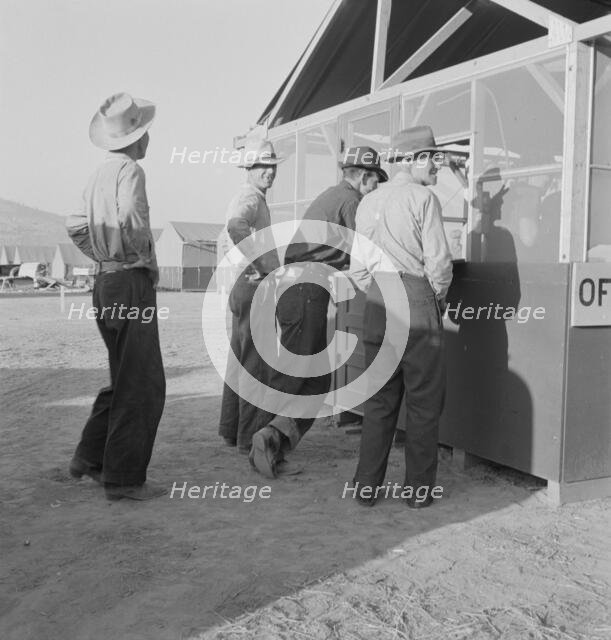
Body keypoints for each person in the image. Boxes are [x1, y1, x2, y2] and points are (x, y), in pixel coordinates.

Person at [250, 147, 388, 479]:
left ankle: (270, 438)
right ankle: (263, 440)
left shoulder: (333, 196)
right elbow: (363, 251)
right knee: (299, 373)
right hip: (306, 290)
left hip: (299, 288)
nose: (376, 190)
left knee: (313, 376)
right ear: (363, 177)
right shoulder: (351, 202)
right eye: (375, 182)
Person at [66, 92, 166, 501]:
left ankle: (89, 457)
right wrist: (137, 255)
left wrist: (104, 255)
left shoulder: (98, 173)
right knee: (142, 383)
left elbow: (75, 226)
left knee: (123, 375)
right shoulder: (130, 171)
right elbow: (132, 219)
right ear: (138, 138)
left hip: (105, 283)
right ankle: (123, 480)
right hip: (129, 283)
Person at [350, 125, 454, 508]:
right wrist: (435, 297)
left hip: (378, 304)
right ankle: (417, 492)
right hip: (416, 302)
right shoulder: (423, 199)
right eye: (434, 159)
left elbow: (358, 269)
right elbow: (439, 264)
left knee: (379, 403)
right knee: (424, 404)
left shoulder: (367, 202)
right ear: (418, 159)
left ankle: (366, 488)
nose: (437, 169)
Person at [218, 138, 283, 455]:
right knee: (257, 363)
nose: (268, 172)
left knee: (240, 358)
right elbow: (235, 226)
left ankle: (232, 430)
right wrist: (265, 263)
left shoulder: (251, 196)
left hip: (243, 285)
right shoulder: (250, 198)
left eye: (272, 166)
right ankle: (250, 435)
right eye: (261, 166)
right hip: (253, 284)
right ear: (249, 169)